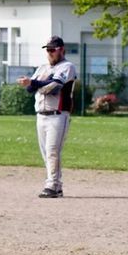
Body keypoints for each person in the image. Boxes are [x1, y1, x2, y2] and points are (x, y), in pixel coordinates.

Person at [17, 36, 77, 198]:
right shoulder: (42, 67)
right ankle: (56, 186)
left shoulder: (67, 66)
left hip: (58, 115)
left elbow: (55, 87)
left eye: (53, 49)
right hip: (41, 115)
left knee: (52, 150)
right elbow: (30, 89)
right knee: (46, 152)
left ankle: (52, 185)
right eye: (48, 50)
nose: (50, 53)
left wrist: (36, 83)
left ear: (61, 50)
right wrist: (37, 83)